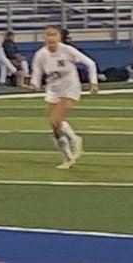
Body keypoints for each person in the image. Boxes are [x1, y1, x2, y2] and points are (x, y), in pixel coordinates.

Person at [29, 26, 99, 169]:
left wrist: (93, 82)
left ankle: (73, 142)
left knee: (56, 119)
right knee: (55, 126)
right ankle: (68, 156)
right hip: (53, 89)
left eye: (53, 34)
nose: (51, 38)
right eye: (48, 35)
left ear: (59, 37)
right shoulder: (40, 55)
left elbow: (90, 63)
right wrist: (34, 84)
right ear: (44, 38)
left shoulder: (67, 50)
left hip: (70, 87)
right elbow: (37, 72)